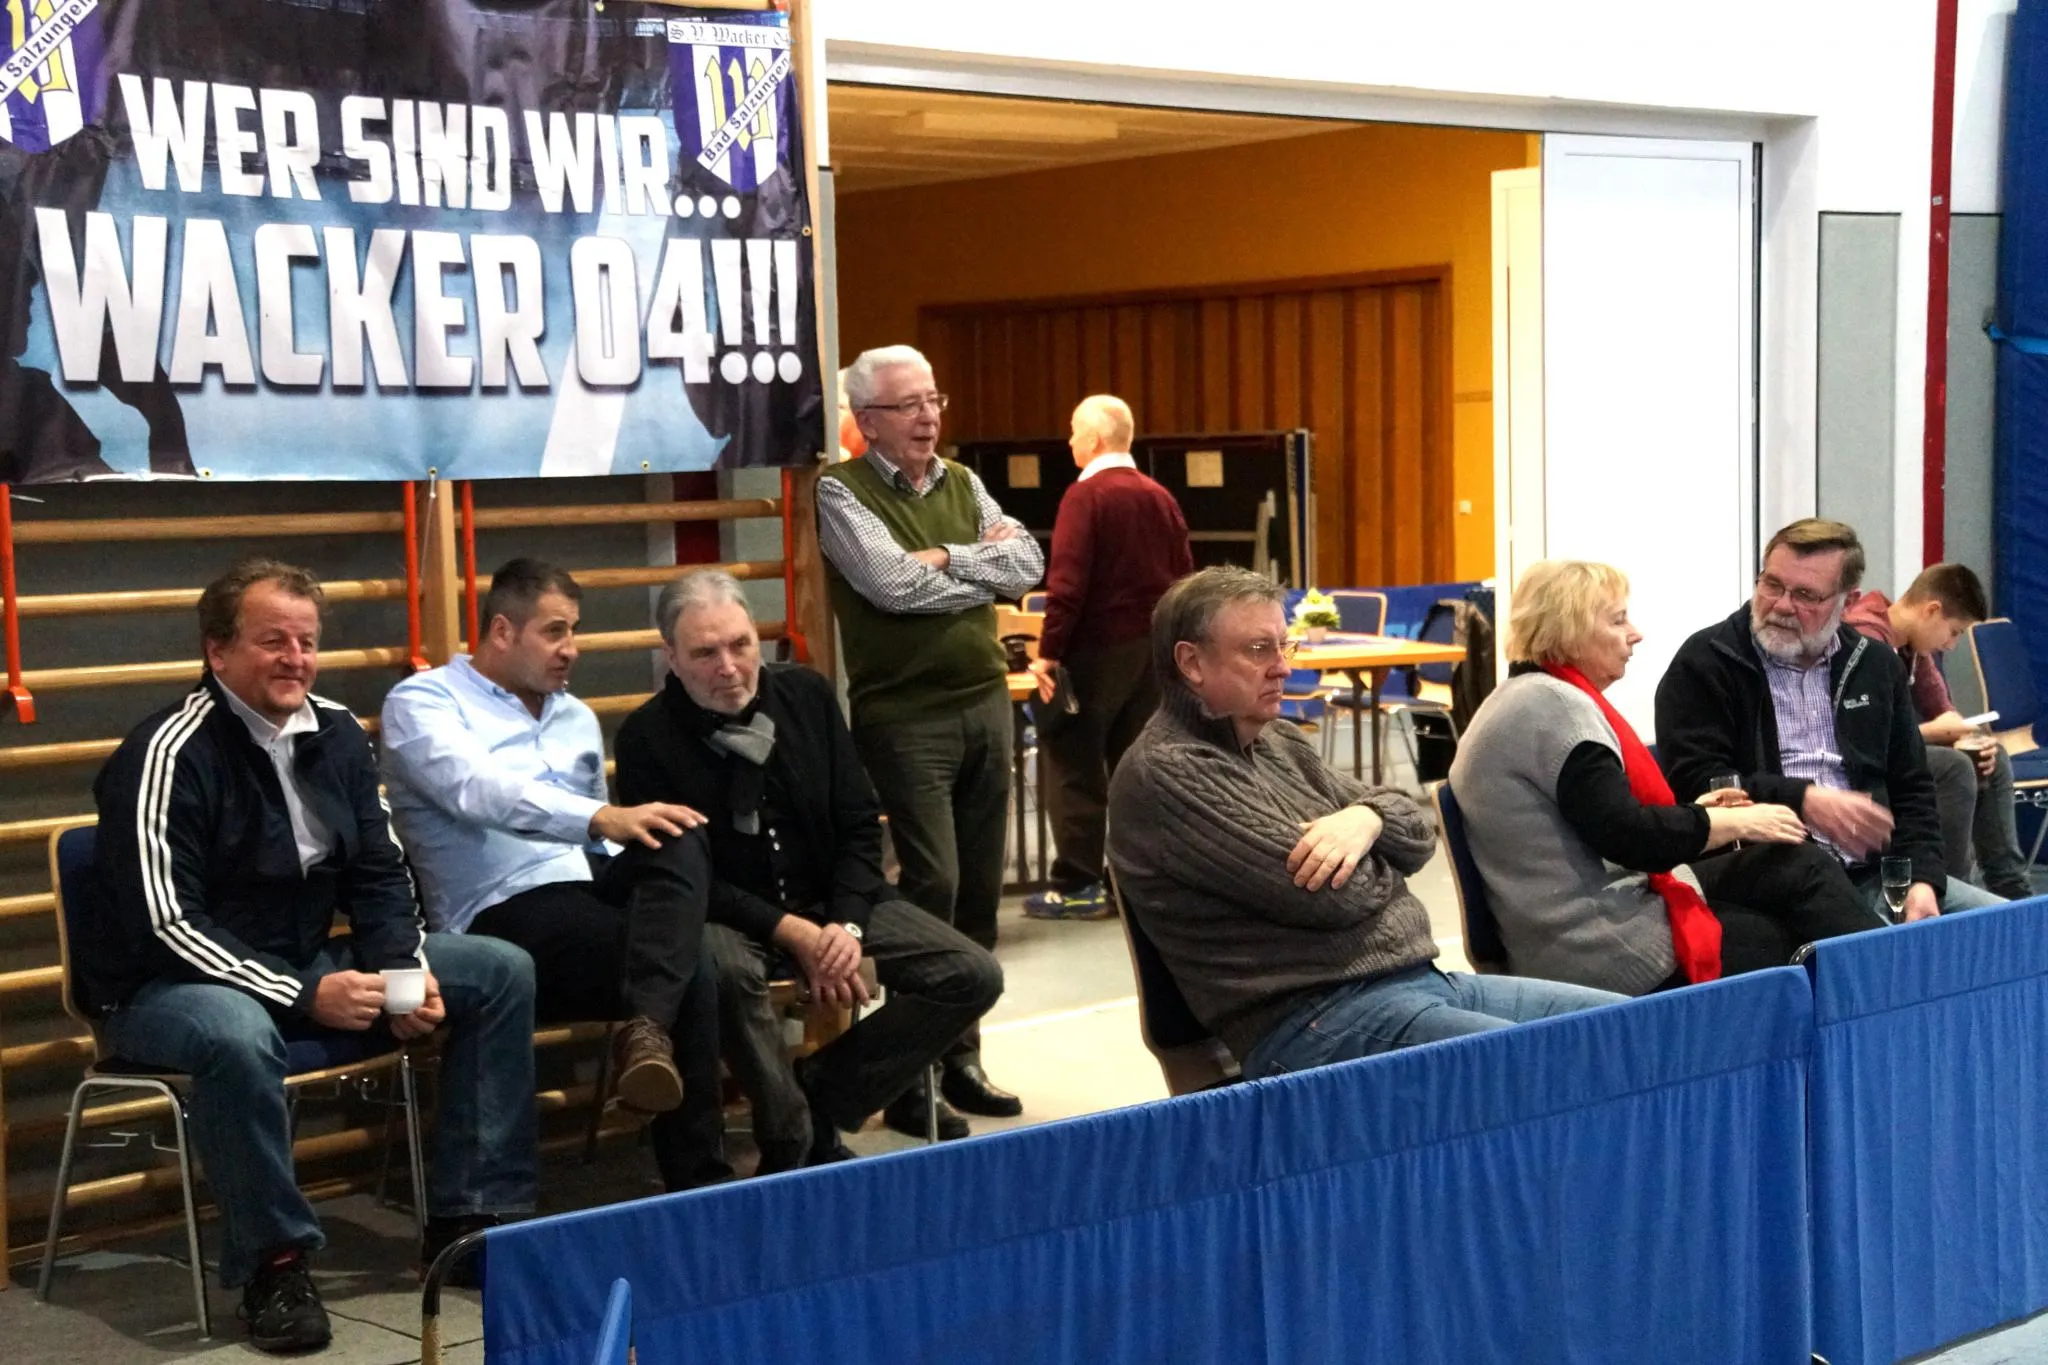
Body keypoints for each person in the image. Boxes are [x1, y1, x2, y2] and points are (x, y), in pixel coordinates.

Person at [87, 559, 537, 1353]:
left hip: (297, 963)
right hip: (161, 987)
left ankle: (469, 1221)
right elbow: (167, 923)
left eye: (307, 642)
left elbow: (380, 872)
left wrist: (403, 979)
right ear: (217, 651)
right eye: (273, 641)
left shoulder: (335, 732)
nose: (295, 659)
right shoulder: (164, 751)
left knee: (500, 968)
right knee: (234, 1031)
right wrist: (303, 994)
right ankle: (276, 1266)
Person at [1106, 566, 1621, 1077]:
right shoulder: (1166, 774)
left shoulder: (1279, 742)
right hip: (1314, 1022)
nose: (1282, 668)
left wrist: (1366, 819)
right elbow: (1337, 897)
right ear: (1192, 663)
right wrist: (1387, 869)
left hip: (1416, 985)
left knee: (1626, 1030)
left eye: (1284, 647)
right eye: (1258, 650)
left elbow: (1417, 831)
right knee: (1557, 1070)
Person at [613, 570, 1006, 1165]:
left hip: (832, 899)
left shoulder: (807, 696)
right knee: (722, 973)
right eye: (705, 653)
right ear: (671, 657)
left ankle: (822, 1095)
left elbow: (858, 824)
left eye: (741, 645)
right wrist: (791, 931)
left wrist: (845, 925)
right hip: (730, 914)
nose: (729, 667)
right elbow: (682, 879)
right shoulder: (646, 737)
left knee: (972, 974)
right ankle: (791, 1137)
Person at [380, 559, 732, 1194]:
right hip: (499, 909)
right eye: (554, 632)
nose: (571, 649)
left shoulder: (576, 717)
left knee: (679, 835)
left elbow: (601, 842)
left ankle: (646, 1034)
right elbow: (474, 789)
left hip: (586, 891)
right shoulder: (424, 701)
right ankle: (701, 1181)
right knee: (693, 963)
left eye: (574, 631)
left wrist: (626, 841)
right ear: (502, 631)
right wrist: (599, 817)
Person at [1452, 560, 1878, 995]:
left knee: (1795, 865)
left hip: (1577, 919)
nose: (1635, 633)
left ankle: (1894, 983)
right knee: (1780, 933)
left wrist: (1699, 814)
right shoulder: (1555, 709)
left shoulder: (1526, 698)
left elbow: (1606, 818)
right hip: (1601, 945)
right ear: (1570, 630)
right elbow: (1631, 838)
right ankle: (1898, 988)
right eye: (1618, 620)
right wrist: (1731, 822)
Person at [815, 343, 1043, 1131]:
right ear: (867, 420)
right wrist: (979, 572)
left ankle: (961, 1057)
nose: (928, 416)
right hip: (906, 718)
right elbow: (890, 586)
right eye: (908, 404)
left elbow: (1026, 565)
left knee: (979, 889)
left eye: (933, 399)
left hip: (985, 703)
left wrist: (947, 555)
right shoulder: (840, 491)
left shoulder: (964, 482)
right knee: (931, 885)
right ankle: (906, 1077)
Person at [1655, 518, 2006, 922]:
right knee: (1893, 953)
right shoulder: (1708, 662)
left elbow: (1912, 787)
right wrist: (1803, 799)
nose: (1782, 605)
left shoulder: (1875, 665)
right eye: (1772, 584)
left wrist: (1922, 880)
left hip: (1878, 873)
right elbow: (1701, 785)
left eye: (1806, 595)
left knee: (2021, 933)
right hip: (1776, 880)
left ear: (1846, 600)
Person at [1024, 394, 1193, 921]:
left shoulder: (1086, 497)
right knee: (1133, 767)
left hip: (1095, 651)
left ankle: (1077, 885)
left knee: (1072, 764)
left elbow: (1067, 586)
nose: (1069, 440)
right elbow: (1186, 575)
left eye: (1074, 431)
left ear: (1094, 440)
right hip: (1153, 651)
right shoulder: (1159, 496)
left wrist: (1047, 655)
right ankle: (1132, 884)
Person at [1843, 562, 2034, 900]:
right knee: (1954, 766)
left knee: (1991, 756)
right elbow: (1869, 737)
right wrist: (1935, 731)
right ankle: (1948, 886)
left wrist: (1967, 737)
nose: (1952, 644)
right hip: (1857, 763)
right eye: (1955, 632)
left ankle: (2014, 891)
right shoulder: (1866, 639)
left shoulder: (1913, 646)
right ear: (1932, 611)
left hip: (1895, 754)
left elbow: (1942, 709)